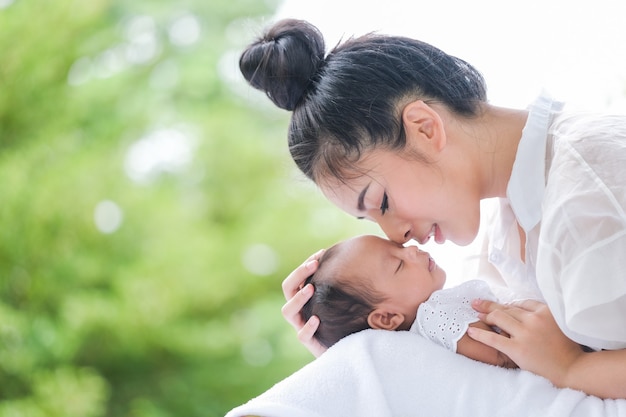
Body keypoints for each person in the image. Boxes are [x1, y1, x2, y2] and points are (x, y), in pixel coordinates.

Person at [239, 18, 626, 398]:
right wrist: (346, 343)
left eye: (381, 202)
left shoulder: (589, 189)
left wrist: (573, 368)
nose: (395, 237)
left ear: (425, 127)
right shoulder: (507, 221)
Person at [301, 234, 518, 368]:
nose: (412, 250)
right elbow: (504, 355)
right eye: (399, 264)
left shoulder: (418, 344)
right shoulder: (434, 316)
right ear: (386, 318)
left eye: (401, 248)